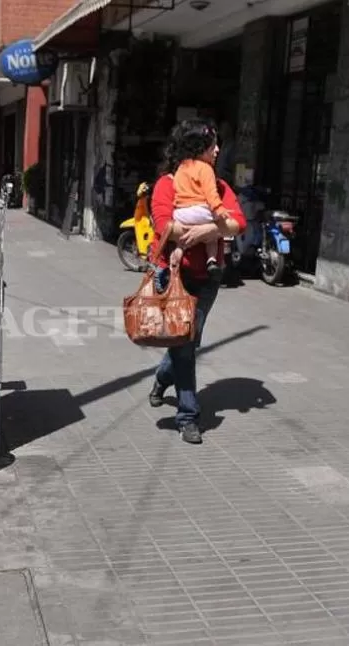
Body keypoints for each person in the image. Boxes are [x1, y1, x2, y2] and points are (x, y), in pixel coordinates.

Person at [148, 121, 247, 445]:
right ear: (195, 149)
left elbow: (238, 222)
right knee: (185, 344)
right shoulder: (167, 183)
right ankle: (188, 415)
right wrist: (213, 227)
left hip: (208, 278)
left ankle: (162, 380)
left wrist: (210, 231)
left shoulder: (218, 186)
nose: (217, 150)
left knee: (189, 340)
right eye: (211, 145)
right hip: (174, 275)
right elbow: (164, 224)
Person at [171, 120, 232, 280]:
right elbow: (211, 194)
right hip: (200, 211)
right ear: (201, 149)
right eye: (213, 147)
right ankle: (212, 260)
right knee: (213, 232)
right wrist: (219, 210)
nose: (217, 150)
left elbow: (177, 189)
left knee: (187, 234)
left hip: (180, 213)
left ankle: (179, 249)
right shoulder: (206, 169)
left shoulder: (181, 167)